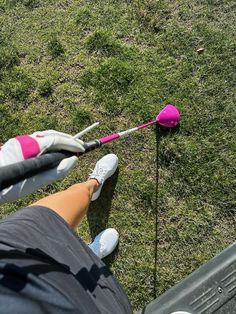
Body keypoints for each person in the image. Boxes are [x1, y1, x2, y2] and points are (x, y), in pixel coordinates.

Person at [0, 129, 132, 313]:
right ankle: (86, 255)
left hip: (7, 250)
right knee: (80, 283)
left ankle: (93, 185)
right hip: (72, 305)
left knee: (77, 195)